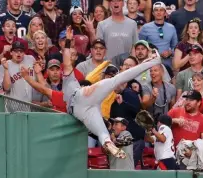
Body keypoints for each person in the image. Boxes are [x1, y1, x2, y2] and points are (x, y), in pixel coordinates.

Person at [62, 26, 162, 158]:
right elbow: (67, 61)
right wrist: (68, 42)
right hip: (81, 96)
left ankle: (107, 142)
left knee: (102, 132)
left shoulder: (66, 85)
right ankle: (153, 62)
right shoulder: (70, 80)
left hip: (79, 112)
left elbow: (66, 60)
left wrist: (68, 43)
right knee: (116, 80)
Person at [138, 2, 178, 68]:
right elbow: (140, 46)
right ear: (153, 13)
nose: (158, 12)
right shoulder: (145, 27)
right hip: (150, 64)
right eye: (156, 10)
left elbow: (175, 47)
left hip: (167, 64)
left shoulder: (171, 27)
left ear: (165, 13)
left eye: (161, 10)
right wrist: (153, 54)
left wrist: (170, 52)